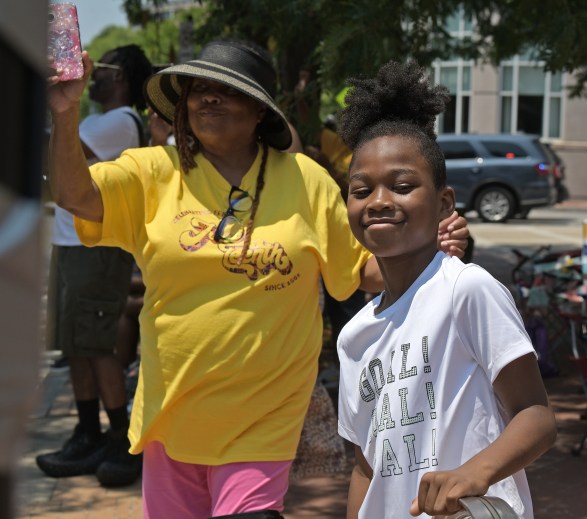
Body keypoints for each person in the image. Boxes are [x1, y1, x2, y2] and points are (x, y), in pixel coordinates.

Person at [46, 39, 470, 518]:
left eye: (224, 89)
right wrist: (64, 112)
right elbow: (75, 197)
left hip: (264, 415)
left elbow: (360, 273)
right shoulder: (152, 172)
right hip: (172, 413)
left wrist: (427, 245)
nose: (208, 98)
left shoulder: (305, 180)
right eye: (198, 89)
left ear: (258, 111)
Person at [336, 60, 557, 519]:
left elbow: (535, 415)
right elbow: (364, 463)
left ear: (443, 204)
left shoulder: (466, 289)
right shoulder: (353, 335)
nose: (379, 201)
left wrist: (477, 471)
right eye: (361, 189)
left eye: (402, 186)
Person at [36, 44, 152, 488]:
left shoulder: (121, 122)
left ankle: (122, 438)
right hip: (70, 243)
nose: (89, 74)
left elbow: (64, 148)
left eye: (99, 67)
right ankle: (88, 431)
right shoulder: (96, 119)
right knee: (77, 343)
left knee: (99, 343)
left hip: (96, 248)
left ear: (119, 76)